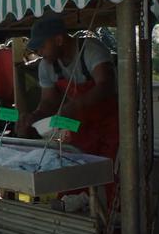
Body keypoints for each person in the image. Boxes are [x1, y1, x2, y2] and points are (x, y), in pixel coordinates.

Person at [15, 17, 119, 161]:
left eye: (42, 46)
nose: (39, 52)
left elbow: (106, 85)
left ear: (58, 40)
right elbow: (49, 102)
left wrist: (76, 105)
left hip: (109, 128)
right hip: (79, 130)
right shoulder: (46, 65)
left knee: (109, 174)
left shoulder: (91, 49)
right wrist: (34, 117)